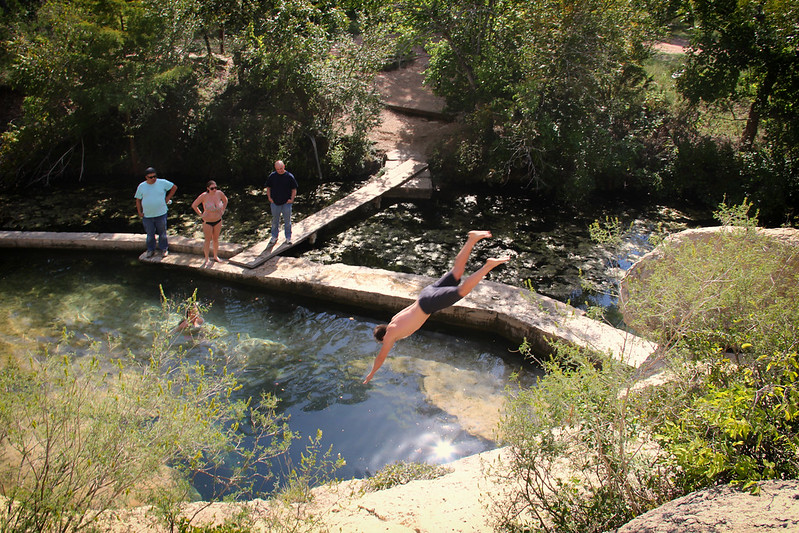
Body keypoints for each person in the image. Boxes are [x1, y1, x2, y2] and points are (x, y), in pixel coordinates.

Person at [363, 230, 510, 384]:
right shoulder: (393, 320)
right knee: (457, 271)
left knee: (462, 290)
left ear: (383, 338)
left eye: (383, 342)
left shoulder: (390, 334)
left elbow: (381, 357)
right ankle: (471, 239)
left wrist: (371, 374)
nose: (387, 344)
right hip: (425, 294)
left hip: (428, 304)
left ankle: (488, 265)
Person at [134, 167, 177, 258]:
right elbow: (138, 200)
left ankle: (164, 249)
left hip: (161, 213)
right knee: (150, 234)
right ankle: (150, 250)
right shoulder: (141, 186)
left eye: (155, 176)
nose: (153, 178)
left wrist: (167, 198)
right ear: (146, 177)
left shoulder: (162, 182)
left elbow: (174, 187)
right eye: (151, 177)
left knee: (162, 233)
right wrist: (139, 212)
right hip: (147, 215)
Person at [191, 180, 229, 266]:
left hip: (218, 220)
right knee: (207, 240)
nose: (214, 190)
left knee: (216, 239)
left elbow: (225, 200)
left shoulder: (219, 193)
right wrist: (201, 215)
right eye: (212, 188)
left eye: (215, 187)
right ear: (208, 188)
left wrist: (223, 209)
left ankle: (215, 256)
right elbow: (194, 205)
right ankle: (206, 258)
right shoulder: (204, 196)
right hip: (207, 221)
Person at [265, 160, 298, 246]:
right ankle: (274, 236)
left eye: (280, 168)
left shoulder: (289, 176)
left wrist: (292, 199)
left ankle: (288, 237)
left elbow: (294, 189)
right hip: (275, 202)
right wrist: (269, 197)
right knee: (275, 221)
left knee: (287, 221)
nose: (279, 170)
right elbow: (268, 187)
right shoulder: (272, 176)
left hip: (286, 202)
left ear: (284, 167)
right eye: (277, 169)